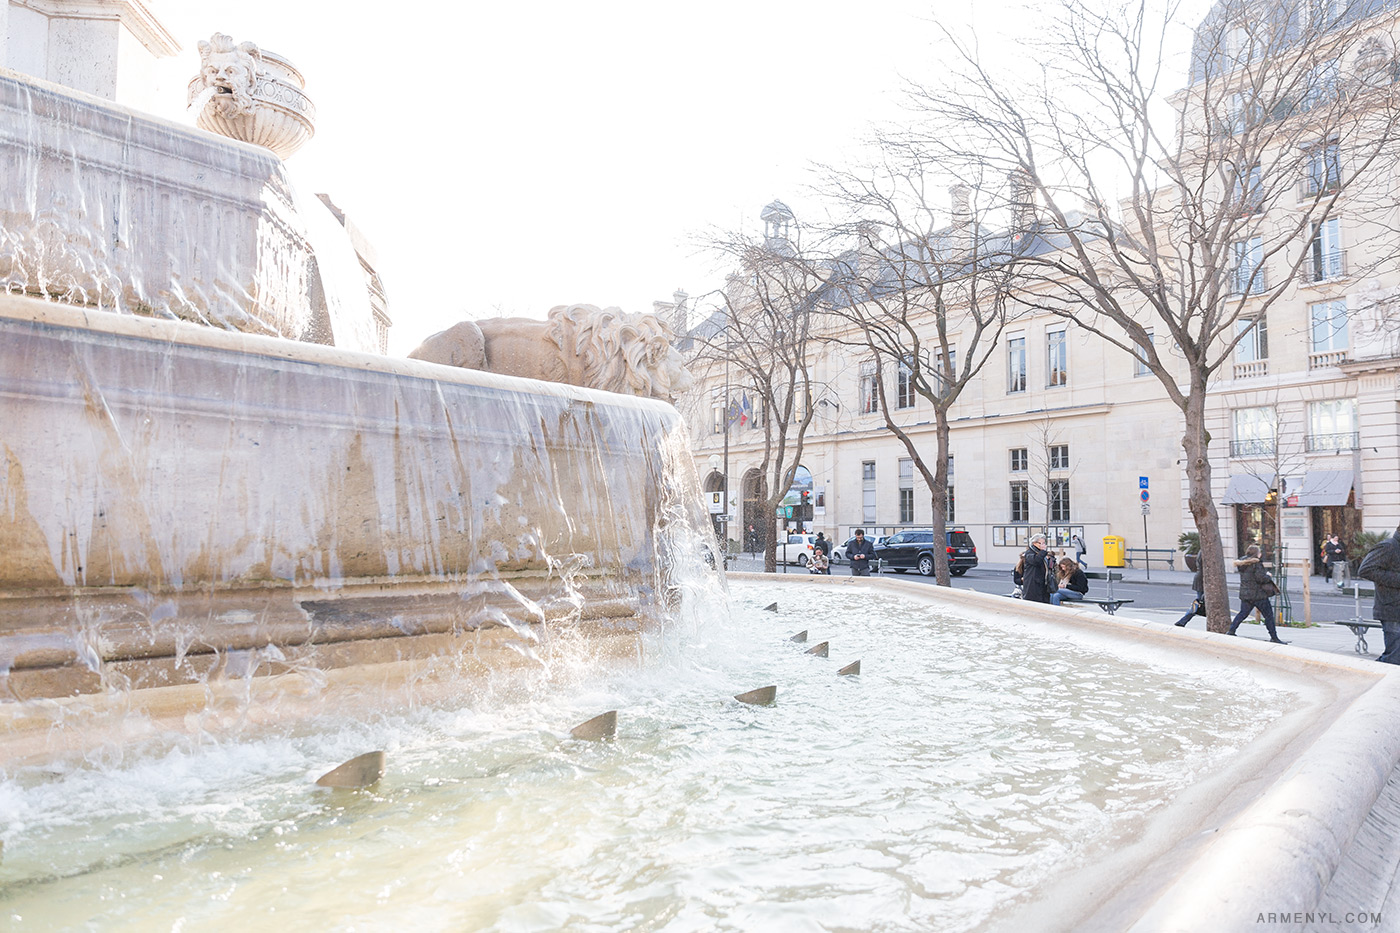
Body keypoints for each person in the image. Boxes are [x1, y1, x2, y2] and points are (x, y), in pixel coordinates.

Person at [1227, 545, 1287, 643]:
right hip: (1258, 595)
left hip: (1246, 594)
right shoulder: (1256, 563)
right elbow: (1260, 578)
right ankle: (1274, 637)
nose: (1261, 554)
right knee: (1268, 615)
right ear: (1256, 554)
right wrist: (1268, 576)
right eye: (1259, 552)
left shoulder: (1242, 563)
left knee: (1243, 613)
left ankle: (1231, 630)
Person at [1357, 526, 1400, 664]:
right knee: (1394, 658)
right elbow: (1365, 570)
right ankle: (1370, 677)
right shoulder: (1388, 546)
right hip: (1392, 609)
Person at [1020, 534, 1055, 603]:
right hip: (1033, 585)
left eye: (1044, 543)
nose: (1043, 545)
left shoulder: (1041, 553)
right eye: (1041, 543)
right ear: (1034, 543)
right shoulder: (1029, 553)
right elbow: (1036, 561)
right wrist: (1043, 551)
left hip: (1043, 585)